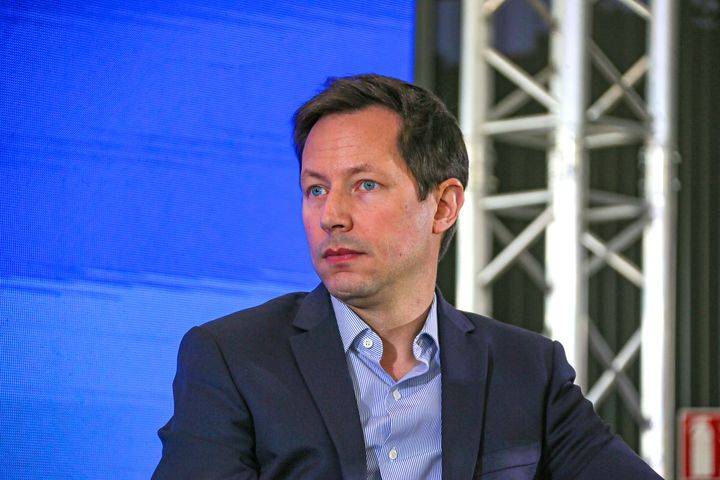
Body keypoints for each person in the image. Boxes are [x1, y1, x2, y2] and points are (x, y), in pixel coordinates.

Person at [153, 74, 661, 479]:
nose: (332, 215)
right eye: (315, 190)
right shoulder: (233, 357)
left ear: (443, 206)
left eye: (365, 185)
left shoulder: (528, 369)